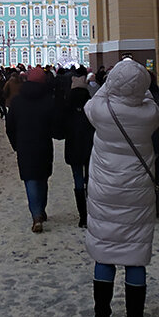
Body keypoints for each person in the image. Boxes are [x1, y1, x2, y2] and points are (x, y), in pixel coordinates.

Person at [83, 58, 159, 317]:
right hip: (137, 192)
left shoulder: (101, 111)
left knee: (104, 253)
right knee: (135, 257)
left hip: (105, 191)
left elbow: (99, 95)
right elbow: (149, 96)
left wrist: (113, 81)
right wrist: (139, 84)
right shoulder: (149, 115)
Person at [5, 66, 59, 233]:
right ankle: (40, 210)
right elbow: (55, 125)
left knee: (30, 180)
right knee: (42, 179)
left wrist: (16, 144)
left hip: (25, 146)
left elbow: (10, 127)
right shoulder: (49, 100)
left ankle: (36, 215)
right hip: (43, 145)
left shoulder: (17, 101)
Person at [63, 73, 94, 228]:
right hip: (90, 148)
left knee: (77, 181)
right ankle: (91, 212)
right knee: (91, 180)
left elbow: (61, 129)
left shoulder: (67, 107)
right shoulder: (91, 106)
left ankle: (82, 216)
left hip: (74, 148)